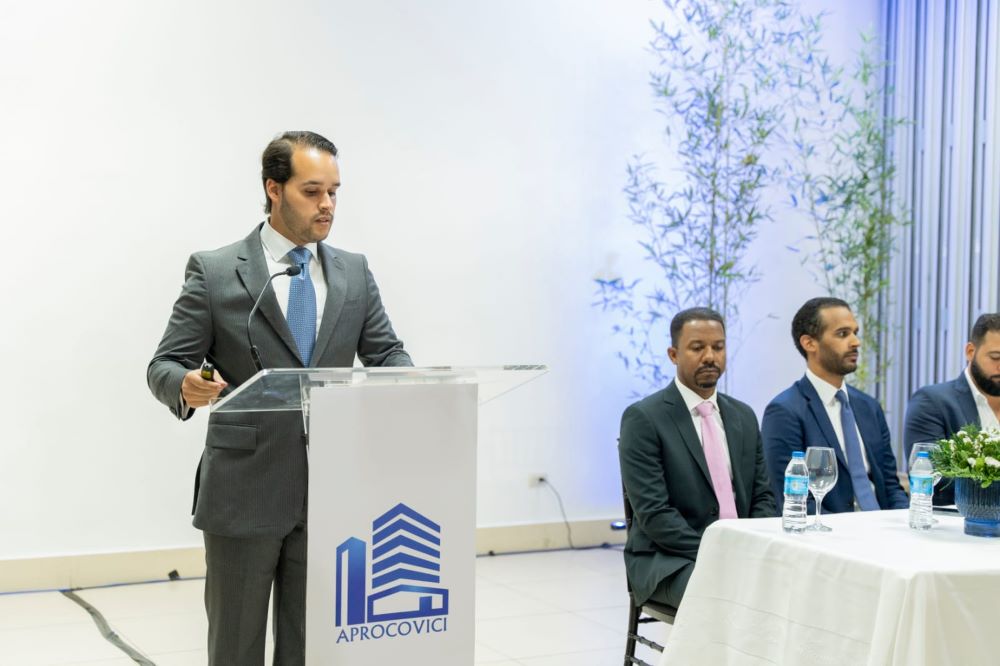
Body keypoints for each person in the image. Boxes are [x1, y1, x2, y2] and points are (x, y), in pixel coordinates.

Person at [147, 131, 412, 665]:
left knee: (311, 647)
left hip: (332, 490)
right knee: (236, 647)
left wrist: (416, 391)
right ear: (274, 188)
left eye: (334, 191)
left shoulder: (354, 272)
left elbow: (387, 354)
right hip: (244, 490)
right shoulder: (216, 270)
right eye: (312, 191)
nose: (327, 204)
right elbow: (165, 364)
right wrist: (185, 385)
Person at [618, 307, 775, 609]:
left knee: (798, 584)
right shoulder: (644, 418)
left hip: (743, 551)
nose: (710, 357)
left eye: (718, 347)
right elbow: (654, 513)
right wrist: (720, 553)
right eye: (697, 347)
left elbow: (763, 496)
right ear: (673, 354)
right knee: (728, 593)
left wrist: (751, 545)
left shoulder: (743, 415)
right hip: (669, 559)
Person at [762, 297, 907, 514]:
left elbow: (891, 487)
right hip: (830, 530)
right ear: (809, 343)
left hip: (883, 526)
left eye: (855, 332)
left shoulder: (869, 407)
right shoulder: (785, 412)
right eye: (842, 334)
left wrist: (906, 521)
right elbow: (796, 502)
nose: (856, 342)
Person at [903, 313, 1000, 505]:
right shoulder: (932, 402)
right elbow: (935, 478)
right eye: (996, 357)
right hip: (956, 519)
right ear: (970, 351)